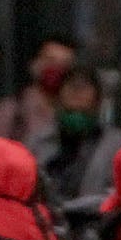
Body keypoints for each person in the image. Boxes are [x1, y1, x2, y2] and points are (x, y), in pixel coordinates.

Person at [0, 33, 79, 156]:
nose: (57, 68)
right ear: (34, 64)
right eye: (50, 60)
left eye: (64, 64)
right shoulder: (10, 113)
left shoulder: (76, 113)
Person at [38, 63, 107, 203]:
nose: (77, 92)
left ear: (98, 101)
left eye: (83, 87)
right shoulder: (38, 141)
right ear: (58, 98)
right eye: (71, 86)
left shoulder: (116, 145)